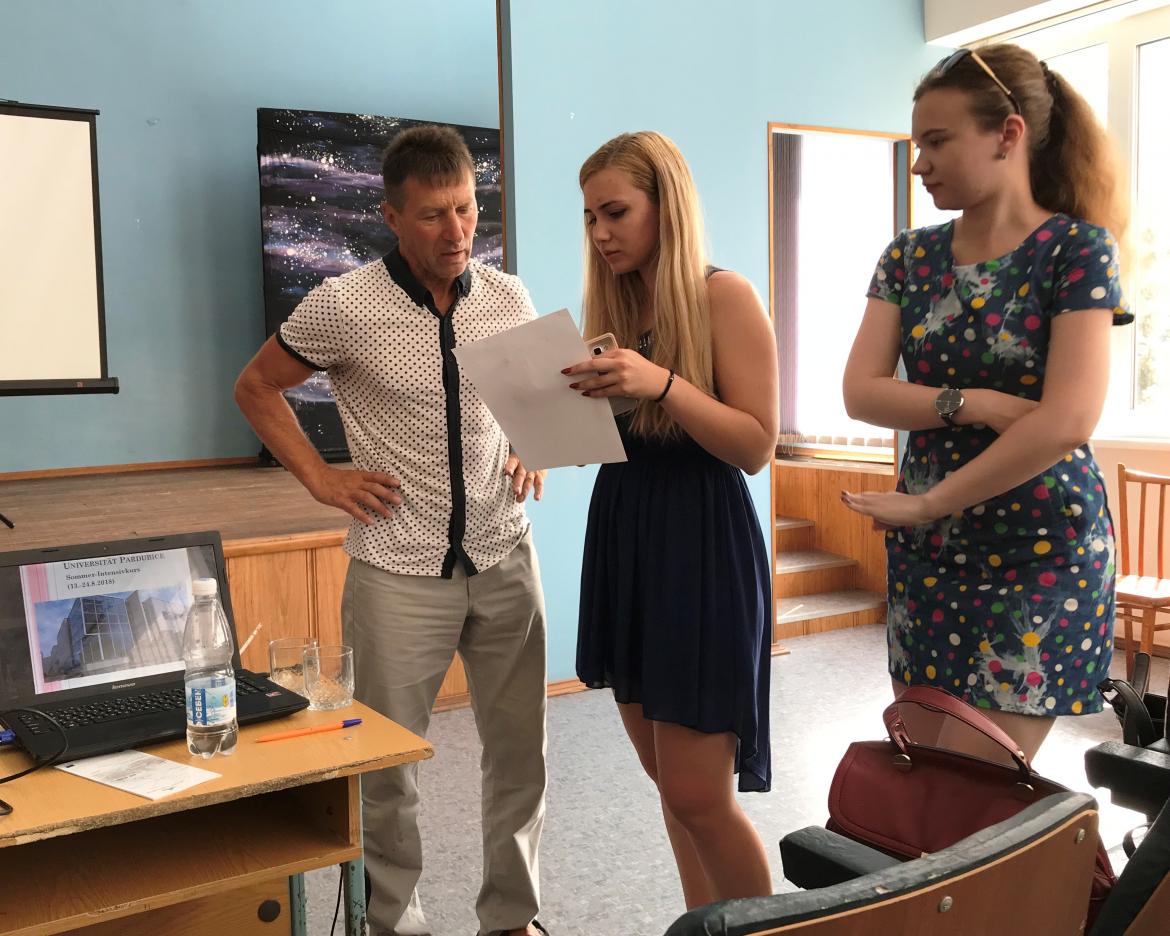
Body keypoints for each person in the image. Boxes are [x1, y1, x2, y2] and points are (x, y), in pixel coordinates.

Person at [235, 124, 550, 936]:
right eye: (434, 214)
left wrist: (533, 446)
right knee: (385, 768)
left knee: (521, 754)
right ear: (392, 216)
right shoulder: (344, 305)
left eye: (467, 209)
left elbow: (537, 406)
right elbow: (257, 387)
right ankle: (393, 923)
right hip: (397, 570)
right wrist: (320, 477)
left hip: (505, 555)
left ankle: (512, 918)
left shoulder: (509, 298)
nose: (456, 230)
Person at [841, 44, 1132, 762]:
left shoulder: (1077, 251)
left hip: (1041, 555)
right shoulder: (908, 257)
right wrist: (972, 402)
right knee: (924, 777)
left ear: (1008, 134)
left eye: (937, 141)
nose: (920, 164)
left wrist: (929, 503)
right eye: (918, 144)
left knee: (975, 790)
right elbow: (861, 392)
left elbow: (1068, 420)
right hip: (931, 559)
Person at [563, 131, 778, 910]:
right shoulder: (622, 311)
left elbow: (755, 445)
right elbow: (627, 438)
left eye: (616, 212)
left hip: (699, 548)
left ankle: (766, 932)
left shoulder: (725, 295)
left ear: (667, 205)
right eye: (590, 218)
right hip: (628, 538)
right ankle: (704, 926)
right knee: (670, 784)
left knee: (699, 795)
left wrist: (660, 384)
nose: (601, 233)